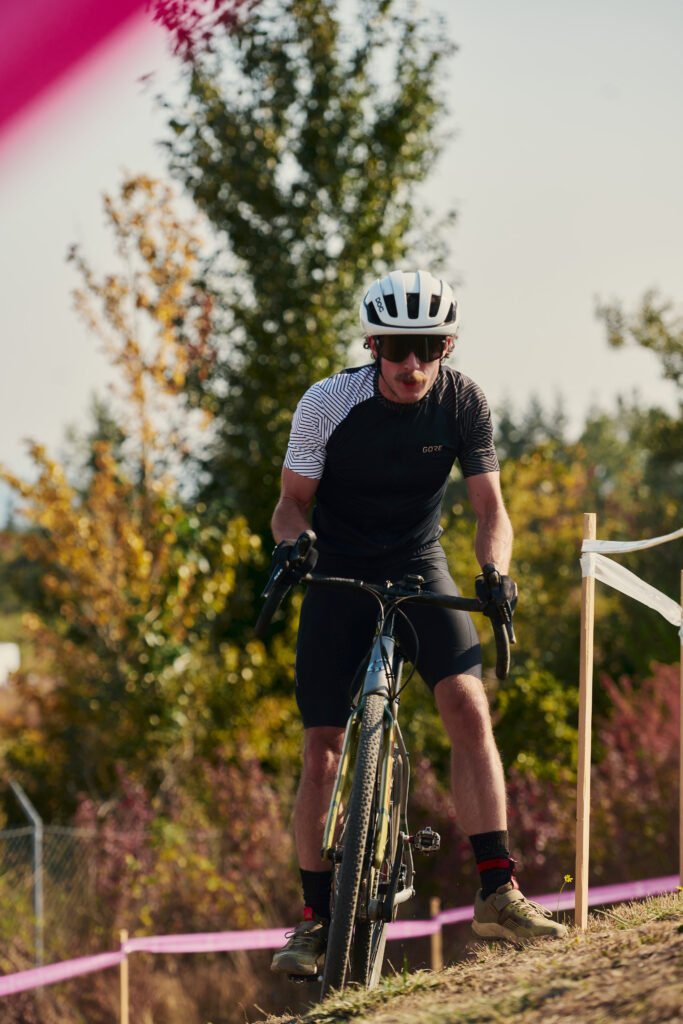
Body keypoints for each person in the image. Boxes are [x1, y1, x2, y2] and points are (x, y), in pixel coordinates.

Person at [269, 269, 567, 977]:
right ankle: (315, 920)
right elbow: (290, 504)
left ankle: (497, 890)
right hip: (339, 568)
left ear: (447, 347)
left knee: (467, 704)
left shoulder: (464, 401)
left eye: (428, 347)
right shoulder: (326, 402)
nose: (412, 364)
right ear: (372, 345)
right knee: (320, 748)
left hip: (418, 563)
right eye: (397, 348)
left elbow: (490, 510)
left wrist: (494, 571)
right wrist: (294, 548)